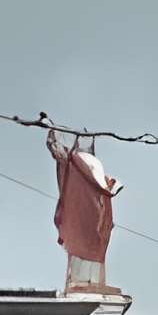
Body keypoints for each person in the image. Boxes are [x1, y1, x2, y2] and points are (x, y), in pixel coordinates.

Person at [47, 128, 123, 299]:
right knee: (84, 248)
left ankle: (86, 285)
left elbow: (57, 150)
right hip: (88, 217)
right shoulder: (84, 161)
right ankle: (85, 284)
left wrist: (49, 130)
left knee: (84, 248)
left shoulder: (79, 161)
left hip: (88, 217)